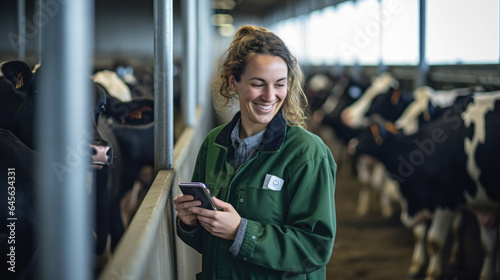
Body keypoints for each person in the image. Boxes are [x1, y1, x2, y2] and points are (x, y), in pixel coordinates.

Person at [174, 25, 337, 280]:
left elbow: (315, 247)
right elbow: (212, 247)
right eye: (258, 84)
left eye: (279, 84)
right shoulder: (214, 144)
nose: (270, 96)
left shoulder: (308, 153)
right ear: (233, 82)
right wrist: (190, 222)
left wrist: (241, 231)